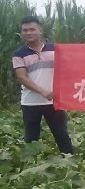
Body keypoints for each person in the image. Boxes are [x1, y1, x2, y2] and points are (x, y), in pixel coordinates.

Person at [12, 16, 74, 154]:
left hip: (54, 101)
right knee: (31, 138)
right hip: (30, 102)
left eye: (32, 29)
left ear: (40, 30)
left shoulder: (55, 49)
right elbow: (22, 77)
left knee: (62, 135)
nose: (28, 33)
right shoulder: (19, 54)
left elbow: (67, 70)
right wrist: (42, 91)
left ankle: (70, 161)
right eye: (25, 30)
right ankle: (32, 164)